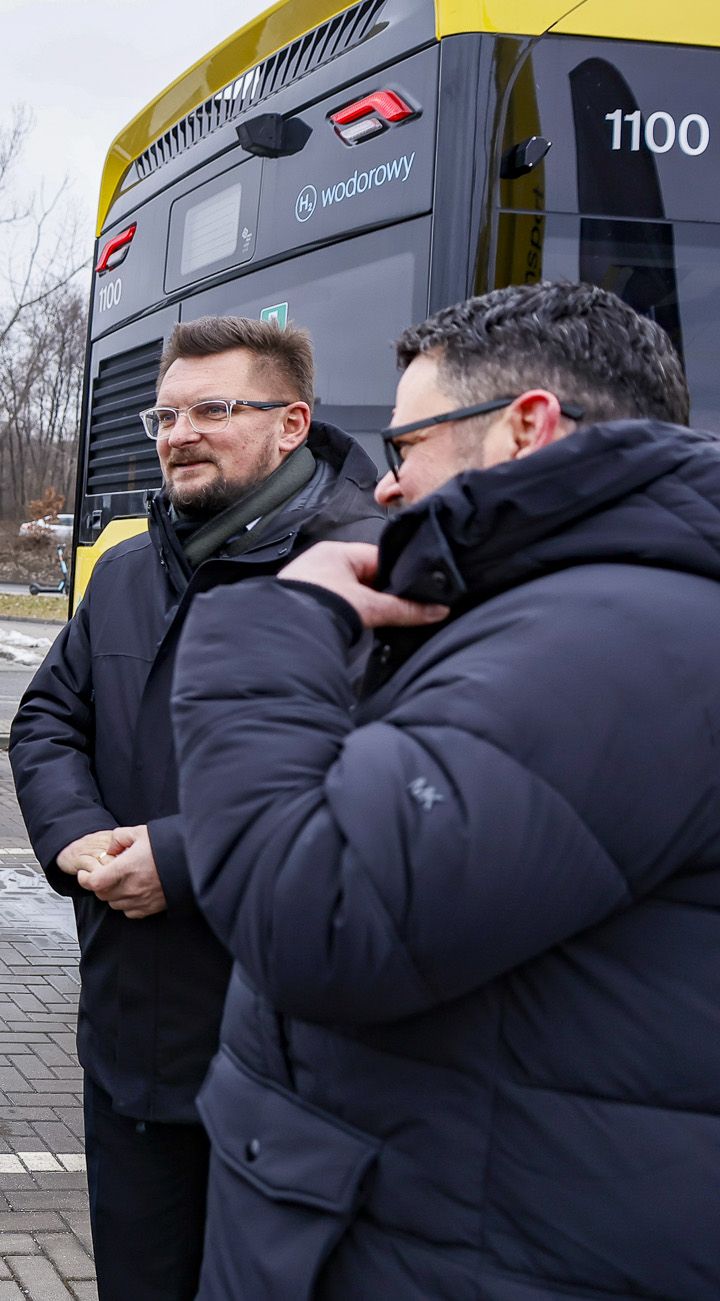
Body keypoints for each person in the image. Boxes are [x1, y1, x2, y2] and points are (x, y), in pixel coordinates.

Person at [170, 282, 720, 1301]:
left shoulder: (611, 639)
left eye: (406, 444)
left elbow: (319, 914)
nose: (384, 487)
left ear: (525, 426)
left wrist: (276, 624)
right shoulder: (576, 612)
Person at [8, 316, 384, 1301]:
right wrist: (77, 838)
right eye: (165, 415)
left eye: (211, 410)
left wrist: (178, 857)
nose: (178, 435)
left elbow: (379, 777)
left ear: (291, 422)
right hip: (131, 1047)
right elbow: (48, 717)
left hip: (295, 1071)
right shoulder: (128, 569)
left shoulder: (369, 568)